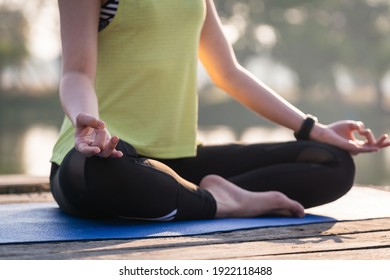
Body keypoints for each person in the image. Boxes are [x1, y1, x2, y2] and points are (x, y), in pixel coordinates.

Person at [50, 0, 389, 221]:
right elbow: (76, 73)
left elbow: (228, 73)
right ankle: (222, 201)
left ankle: (193, 197)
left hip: (178, 159)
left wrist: (314, 129)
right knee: (100, 174)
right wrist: (90, 126)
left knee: (331, 162)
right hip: (105, 154)